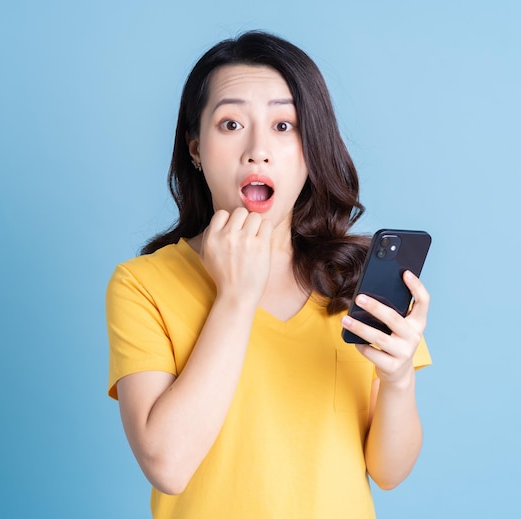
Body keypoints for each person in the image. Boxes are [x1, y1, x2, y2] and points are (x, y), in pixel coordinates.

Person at [106, 30, 432, 519]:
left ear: (310, 148)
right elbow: (168, 465)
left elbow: (389, 472)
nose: (258, 149)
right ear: (195, 147)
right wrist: (236, 297)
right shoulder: (143, 285)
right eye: (231, 123)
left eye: (284, 125)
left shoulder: (355, 278)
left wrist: (399, 378)